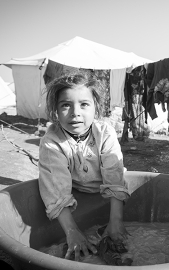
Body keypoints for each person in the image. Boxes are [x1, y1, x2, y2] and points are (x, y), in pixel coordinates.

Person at [38, 71, 130, 261]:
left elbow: (114, 176)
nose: (75, 113)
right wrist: (72, 232)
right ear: (55, 109)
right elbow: (56, 191)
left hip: (107, 196)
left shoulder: (105, 133)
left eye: (84, 104)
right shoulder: (51, 142)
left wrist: (116, 222)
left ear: (96, 107)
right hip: (76, 196)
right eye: (66, 105)